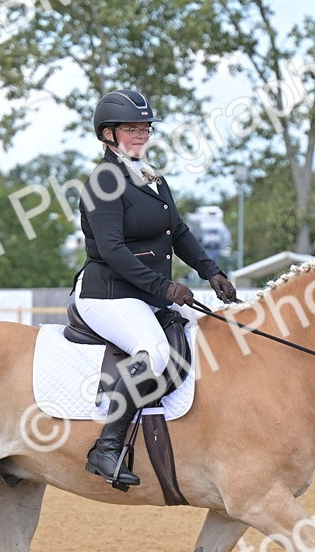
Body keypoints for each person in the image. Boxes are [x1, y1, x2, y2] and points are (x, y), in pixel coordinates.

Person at [74, 89, 238, 489]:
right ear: (108, 134)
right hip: (108, 294)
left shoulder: (150, 177)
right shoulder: (103, 181)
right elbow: (112, 250)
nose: (141, 134)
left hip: (146, 292)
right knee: (156, 352)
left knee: (220, 329)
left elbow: (177, 231)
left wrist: (210, 271)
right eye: (131, 128)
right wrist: (164, 288)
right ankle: (106, 447)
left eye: (145, 128)